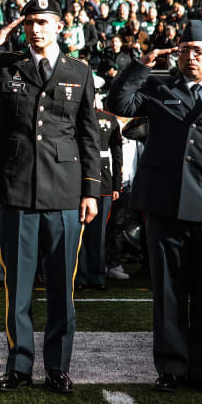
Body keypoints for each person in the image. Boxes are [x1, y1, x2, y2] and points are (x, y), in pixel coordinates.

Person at [0, 0, 102, 395]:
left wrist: (91, 192)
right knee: (17, 289)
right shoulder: (5, 65)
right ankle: (18, 367)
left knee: (60, 291)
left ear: (60, 26)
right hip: (16, 191)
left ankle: (57, 368)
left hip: (66, 194)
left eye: (43, 22)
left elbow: (88, 136)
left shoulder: (79, 72)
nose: (35, 30)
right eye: (30, 23)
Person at [107, 19, 202, 395]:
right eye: (185, 50)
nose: (191, 57)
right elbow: (118, 103)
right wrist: (142, 64)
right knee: (168, 292)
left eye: (199, 51)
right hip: (165, 205)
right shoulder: (159, 87)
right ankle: (171, 368)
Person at [78, 99, 123, 289]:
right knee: (78, 233)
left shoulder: (109, 119)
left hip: (103, 183)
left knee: (99, 234)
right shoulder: (74, 115)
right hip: (77, 182)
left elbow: (117, 153)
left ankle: (97, 276)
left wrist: (116, 186)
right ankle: (79, 277)